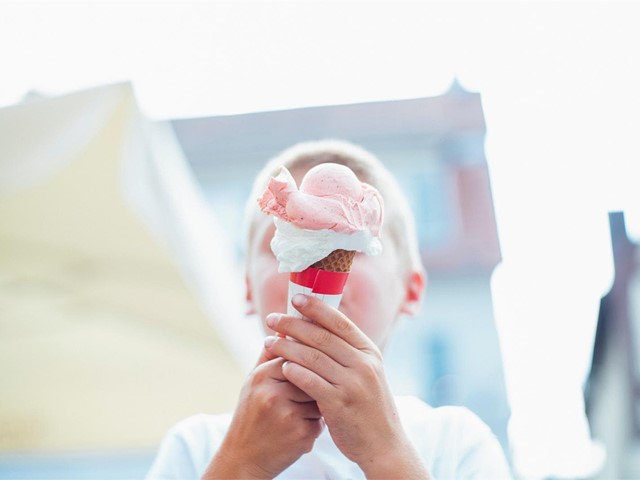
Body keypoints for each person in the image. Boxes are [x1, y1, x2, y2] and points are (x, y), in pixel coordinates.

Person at [145, 139, 512, 479]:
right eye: (281, 243)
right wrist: (243, 463)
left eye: (354, 248)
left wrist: (386, 453)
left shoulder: (456, 443)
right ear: (247, 290)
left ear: (410, 291)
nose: (317, 257)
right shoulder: (196, 449)